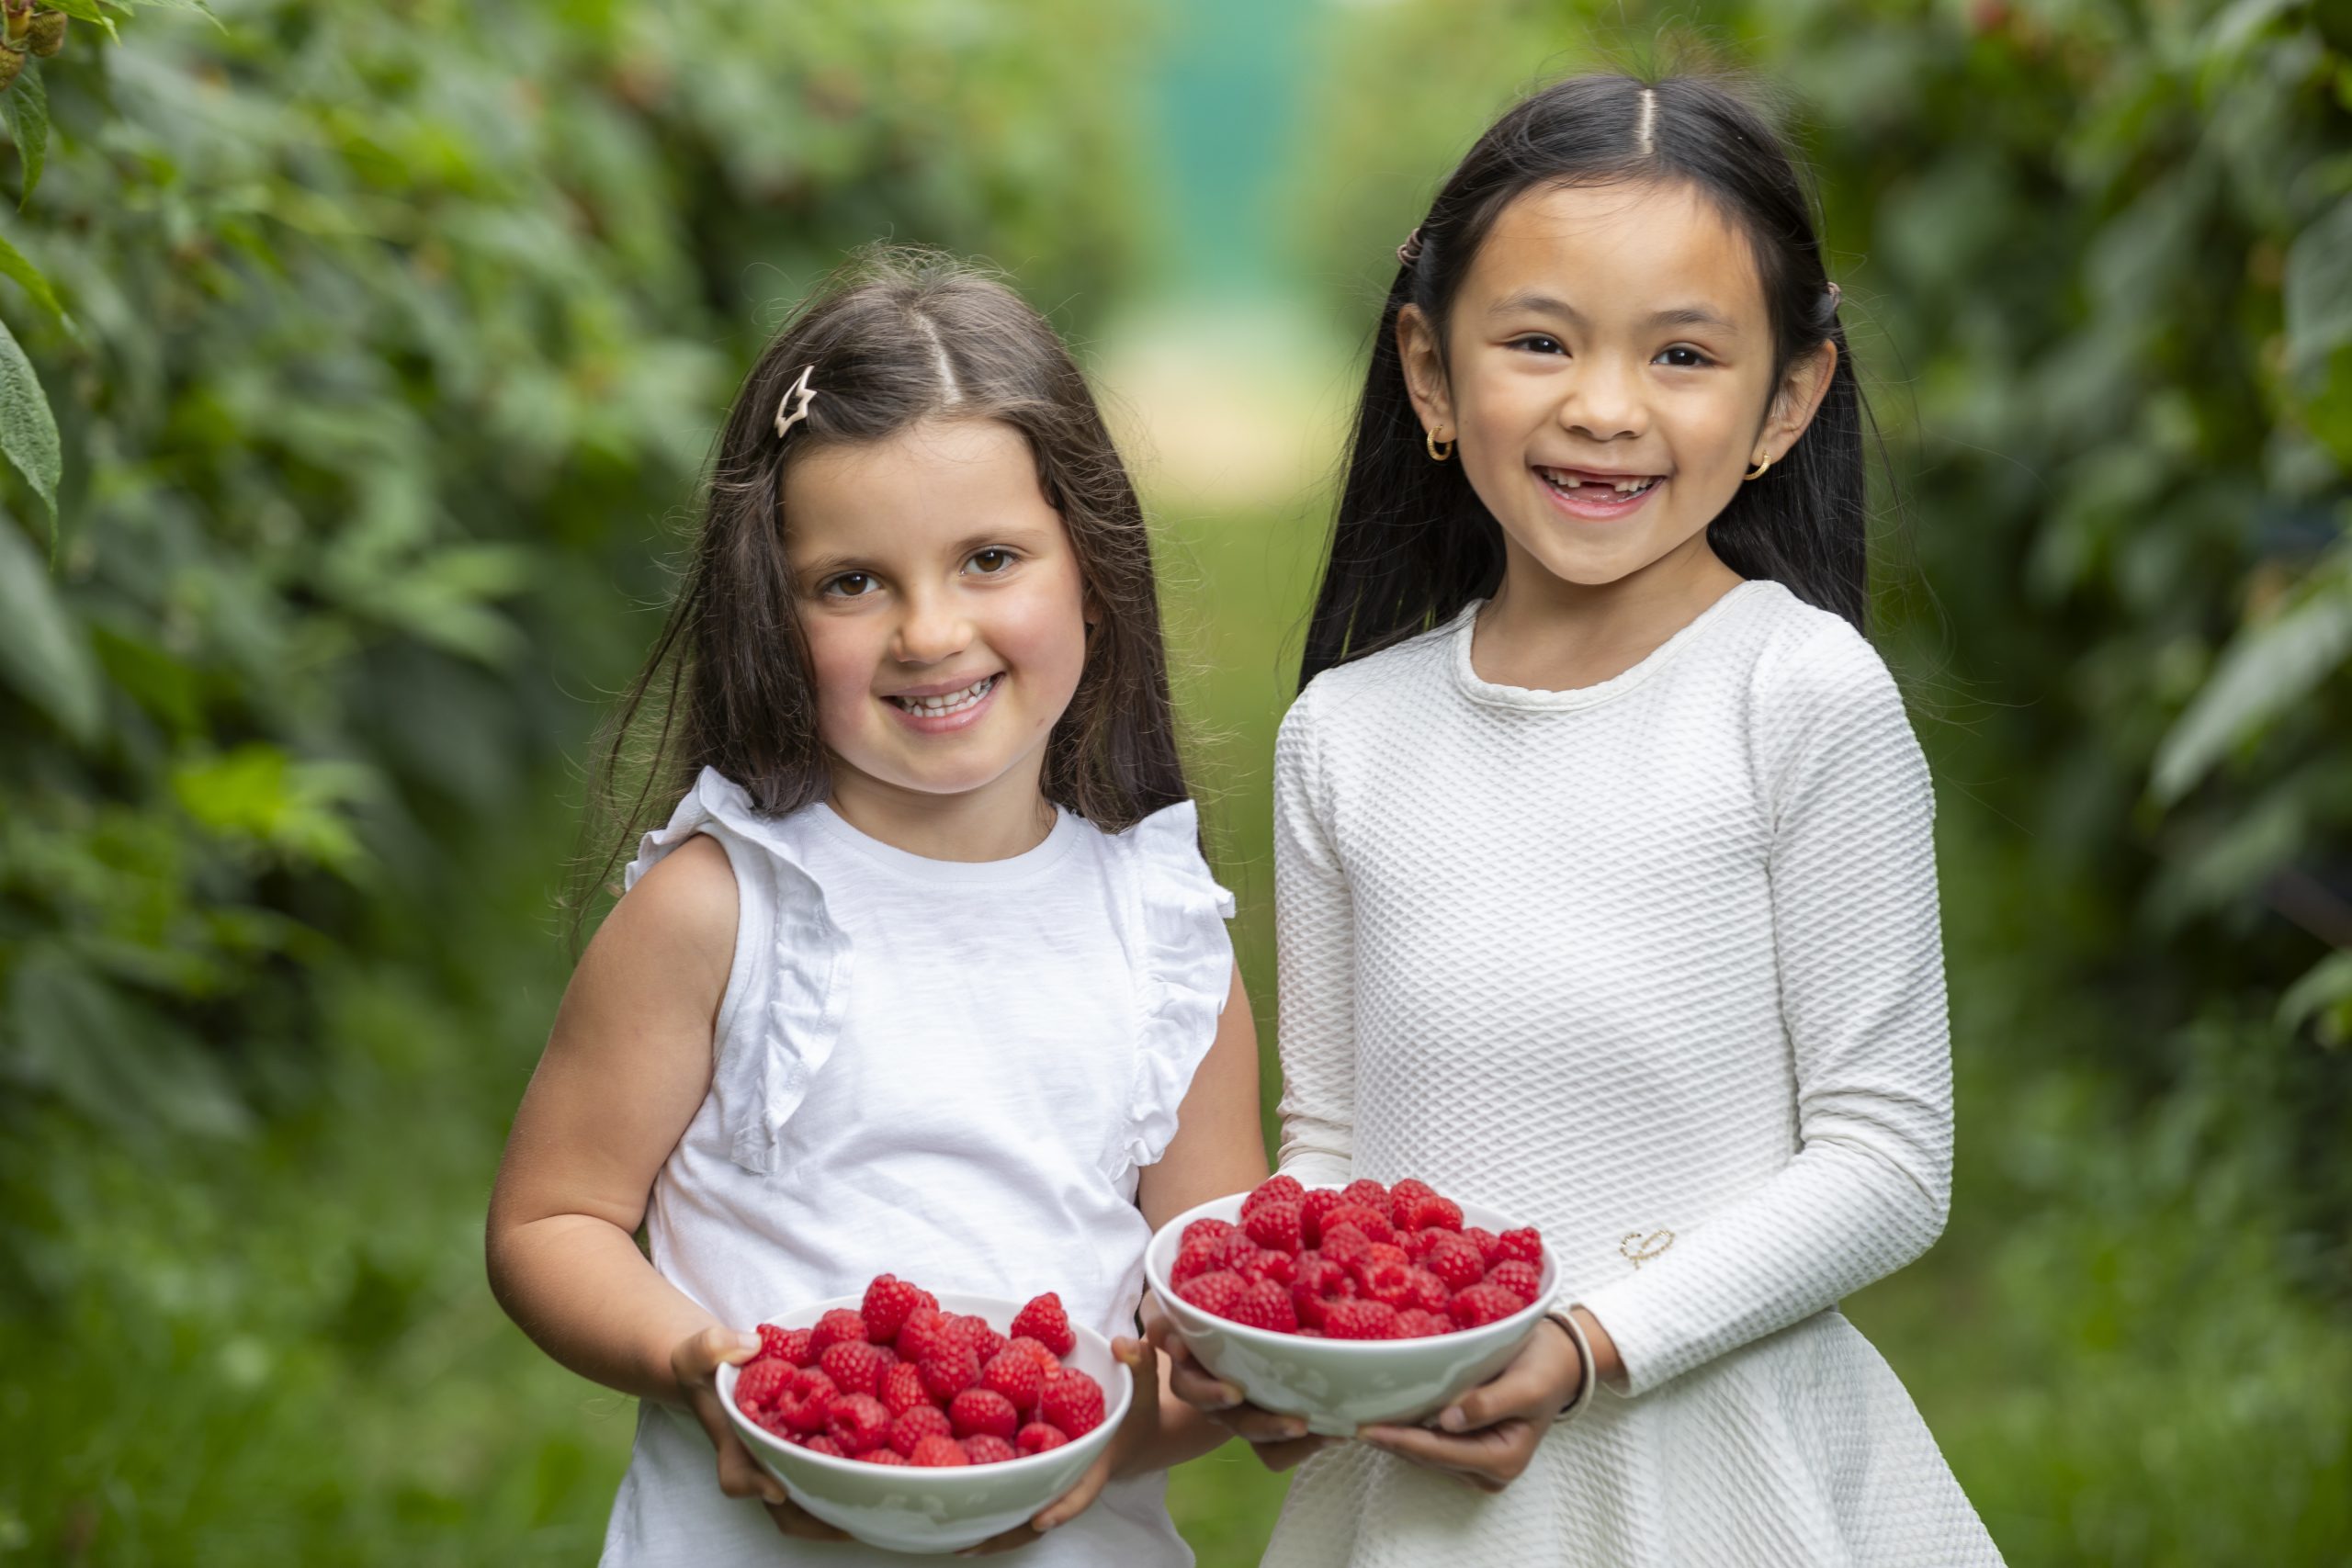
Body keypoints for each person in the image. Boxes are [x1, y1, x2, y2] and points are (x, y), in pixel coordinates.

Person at [1158, 73, 2003, 1564]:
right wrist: (1280, 1334)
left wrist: (1587, 1342)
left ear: (1786, 401)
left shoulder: (1799, 696)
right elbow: (1338, 1141)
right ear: (1430, 371)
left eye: (1683, 354)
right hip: (1416, 1478)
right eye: (1538, 341)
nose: (1603, 407)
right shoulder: (1345, 736)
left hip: (1710, 1464)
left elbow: (1887, 1160)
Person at [486, 248, 1266, 1565]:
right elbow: (549, 1222)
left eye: (989, 559)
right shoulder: (721, 906)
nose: (927, 630)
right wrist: (698, 1364)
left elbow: (1217, 1314)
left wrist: (1099, 1437)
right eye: (853, 581)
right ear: (773, 613)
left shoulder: (1165, 931)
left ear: (1089, 563)